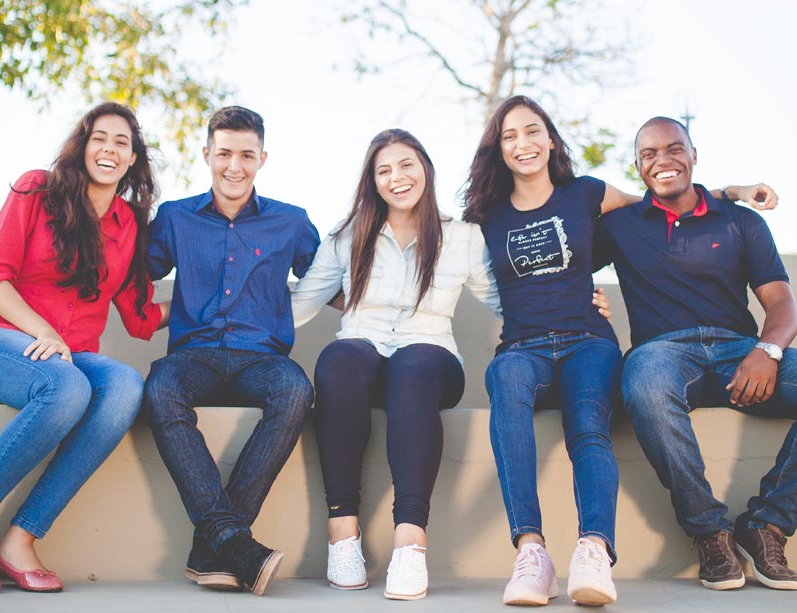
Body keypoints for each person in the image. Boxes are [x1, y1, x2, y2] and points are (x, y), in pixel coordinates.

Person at [461, 95, 774, 606]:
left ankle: (593, 550)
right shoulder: (484, 216)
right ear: (497, 148)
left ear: (551, 139)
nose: (524, 143)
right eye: (510, 135)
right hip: (522, 346)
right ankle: (531, 552)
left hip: (589, 340)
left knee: (588, 422)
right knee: (507, 384)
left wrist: (732, 191)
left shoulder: (586, 194)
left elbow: (663, 201)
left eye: (533, 131)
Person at [290, 128, 608, 601]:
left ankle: (410, 543)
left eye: (406, 165)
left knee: (414, 367)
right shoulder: (348, 234)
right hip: (361, 354)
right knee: (338, 358)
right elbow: (301, 303)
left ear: (425, 170)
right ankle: (343, 535)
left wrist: (574, 304)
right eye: (384, 170)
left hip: (431, 358)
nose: (396, 177)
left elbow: (509, 299)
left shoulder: (462, 237)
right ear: (372, 181)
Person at [594, 116, 797, 592]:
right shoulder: (620, 225)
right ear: (638, 167)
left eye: (673, 149)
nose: (662, 161)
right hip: (662, 354)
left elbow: (781, 302)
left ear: (693, 154)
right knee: (643, 383)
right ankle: (710, 532)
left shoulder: (740, 220)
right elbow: (563, 241)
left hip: (741, 353)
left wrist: (767, 351)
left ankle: (767, 524)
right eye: (649, 155)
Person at [0, 102, 167, 594]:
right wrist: (42, 331)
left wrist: (215, 302)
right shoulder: (36, 188)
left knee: (125, 386)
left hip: (72, 353)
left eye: (121, 142)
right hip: (2, 336)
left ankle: (18, 541)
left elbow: (140, 315)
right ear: (83, 146)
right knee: (66, 389)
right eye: (98, 137)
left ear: (132, 159)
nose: (109, 148)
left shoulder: (129, 224)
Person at [143, 106, 320, 596]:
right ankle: (235, 543)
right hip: (192, 355)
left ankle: (216, 544)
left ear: (263, 158)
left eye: (246, 154)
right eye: (224, 154)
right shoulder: (176, 217)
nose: (234, 166)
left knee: (295, 390)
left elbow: (334, 277)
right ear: (207, 155)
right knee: (159, 388)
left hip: (262, 358)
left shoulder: (291, 221)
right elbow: (131, 273)